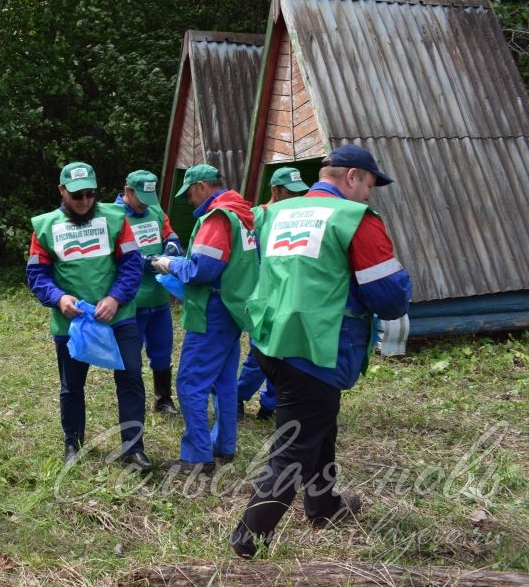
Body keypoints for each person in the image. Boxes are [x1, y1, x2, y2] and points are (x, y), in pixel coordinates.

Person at [230, 144, 412, 558]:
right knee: (293, 449)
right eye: (369, 184)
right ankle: (246, 541)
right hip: (315, 346)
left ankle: (324, 505)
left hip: (269, 340)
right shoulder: (353, 219)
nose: (369, 195)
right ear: (351, 177)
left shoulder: (275, 212)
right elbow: (388, 297)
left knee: (318, 422)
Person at [27, 161, 152, 470]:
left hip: (118, 317)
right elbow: (37, 274)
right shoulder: (45, 227)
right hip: (73, 322)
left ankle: (133, 448)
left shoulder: (116, 219)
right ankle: (74, 444)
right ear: (61, 191)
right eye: (77, 195)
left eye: (90, 194)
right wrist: (58, 298)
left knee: (131, 378)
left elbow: (132, 264)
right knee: (71, 386)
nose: (84, 201)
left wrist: (115, 297)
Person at [152, 164, 257, 473]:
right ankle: (225, 446)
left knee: (190, 383)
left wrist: (168, 263)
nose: (189, 201)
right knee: (224, 380)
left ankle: (198, 456)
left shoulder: (217, 218)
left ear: (201, 187)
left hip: (212, 309)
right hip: (234, 307)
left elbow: (202, 270)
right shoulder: (242, 215)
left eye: (189, 194)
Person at [236, 166, 310, 421]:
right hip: (264, 297)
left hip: (291, 296)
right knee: (260, 354)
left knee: (287, 354)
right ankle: (238, 396)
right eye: (290, 193)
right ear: (275, 191)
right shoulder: (257, 217)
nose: (296, 199)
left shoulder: (303, 217)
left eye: (300, 193)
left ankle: (270, 404)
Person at [116, 170, 183, 416]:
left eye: (149, 196)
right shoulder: (114, 216)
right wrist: (148, 261)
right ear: (128, 190)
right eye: (141, 197)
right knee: (130, 358)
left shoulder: (154, 210)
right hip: (131, 301)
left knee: (162, 350)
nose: (146, 203)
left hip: (158, 297)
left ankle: (163, 399)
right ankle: (132, 406)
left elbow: (169, 233)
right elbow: (118, 255)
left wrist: (173, 246)